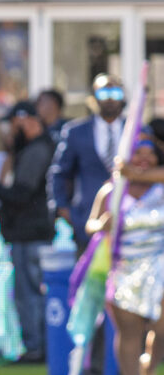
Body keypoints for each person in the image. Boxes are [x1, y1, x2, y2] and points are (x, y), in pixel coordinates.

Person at [0, 101, 55, 363]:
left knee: (29, 293)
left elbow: (22, 192)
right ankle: (38, 346)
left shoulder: (37, 149)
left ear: (29, 121)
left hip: (31, 233)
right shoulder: (30, 149)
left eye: (14, 124)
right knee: (29, 292)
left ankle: (37, 348)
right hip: (28, 232)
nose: (11, 130)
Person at [86, 136, 164, 375]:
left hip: (159, 266)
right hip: (124, 269)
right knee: (129, 332)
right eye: (137, 152)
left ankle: (150, 368)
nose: (144, 157)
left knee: (161, 329)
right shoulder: (113, 190)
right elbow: (91, 224)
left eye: (149, 153)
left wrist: (138, 173)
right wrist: (102, 226)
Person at [50, 74, 126, 250]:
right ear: (93, 98)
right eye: (103, 93)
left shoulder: (136, 131)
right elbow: (59, 173)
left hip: (128, 222)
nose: (109, 99)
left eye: (115, 93)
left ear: (122, 97)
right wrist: (63, 209)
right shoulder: (75, 131)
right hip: (86, 221)